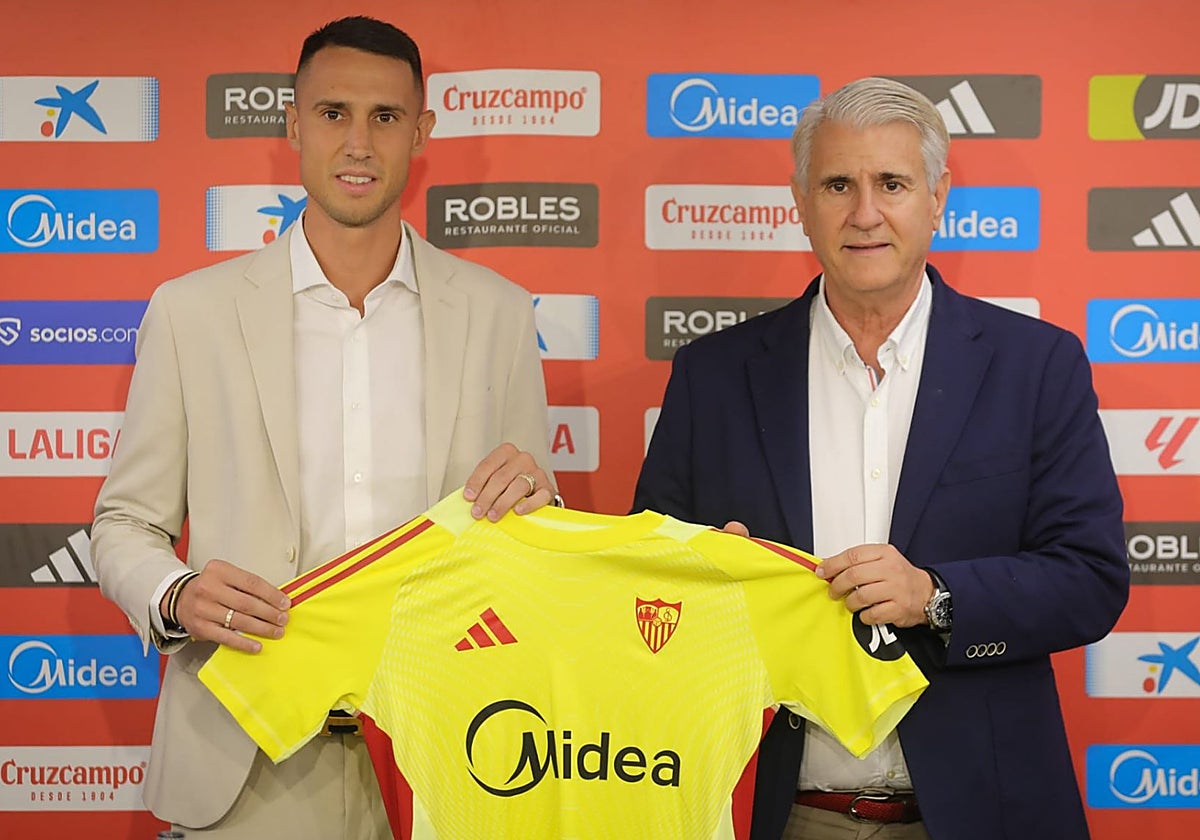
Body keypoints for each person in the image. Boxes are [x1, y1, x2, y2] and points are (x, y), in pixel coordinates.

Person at [91, 16, 557, 839]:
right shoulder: (191, 313)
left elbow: (531, 517)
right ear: (294, 124)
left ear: (422, 131)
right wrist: (177, 592)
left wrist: (535, 508)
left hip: (444, 756)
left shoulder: (499, 313)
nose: (359, 143)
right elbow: (125, 523)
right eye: (334, 113)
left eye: (385, 118)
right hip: (245, 760)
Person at [633, 77, 1128, 840]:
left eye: (891, 183)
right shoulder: (714, 376)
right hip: (773, 812)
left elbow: (1090, 580)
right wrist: (707, 591)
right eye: (838, 184)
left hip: (980, 814)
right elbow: (647, 585)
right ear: (800, 202)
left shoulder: (1037, 366)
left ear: (937, 197)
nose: (864, 213)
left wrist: (936, 595)